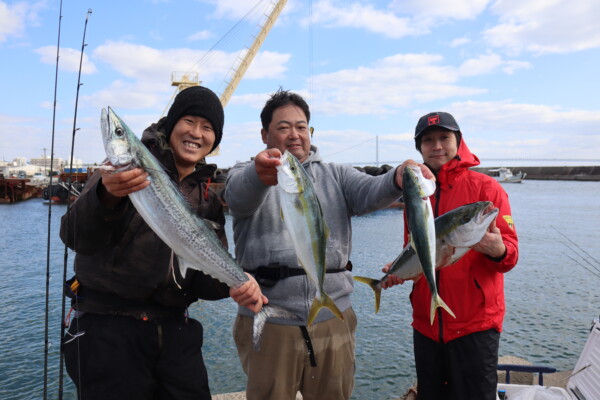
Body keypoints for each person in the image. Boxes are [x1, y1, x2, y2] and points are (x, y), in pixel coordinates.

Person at [224, 89, 433, 400]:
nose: (294, 135)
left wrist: (398, 177)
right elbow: (238, 196)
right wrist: (258, 174)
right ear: (264, 134)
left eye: (301, 126)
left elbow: (370, 191)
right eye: (283, 128)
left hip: (333, 318)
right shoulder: (246, 172)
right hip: (269, 320)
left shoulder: (336, 174)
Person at [60, 86, 266, 400]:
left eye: (208, 127)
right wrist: (106, 196)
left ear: (215, 140)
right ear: (171, 126)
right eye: (189, 121)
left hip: (175, 333)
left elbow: (201, 283)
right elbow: (75, 236)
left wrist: (236, 284)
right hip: (107, 330)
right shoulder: (117, 173)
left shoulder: (206, 198)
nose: (197, 133)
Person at [384, 111, 519, 400]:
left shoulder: (487, 189)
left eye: (444, 138)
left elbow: (511, 255)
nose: (437, 146)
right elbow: (419, 251)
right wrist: (400, 270)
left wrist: (498, 250)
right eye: (428, 140)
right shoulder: (417, 194)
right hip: (426, 325)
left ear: (458, 140)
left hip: (475, 327)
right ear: (419, 148)